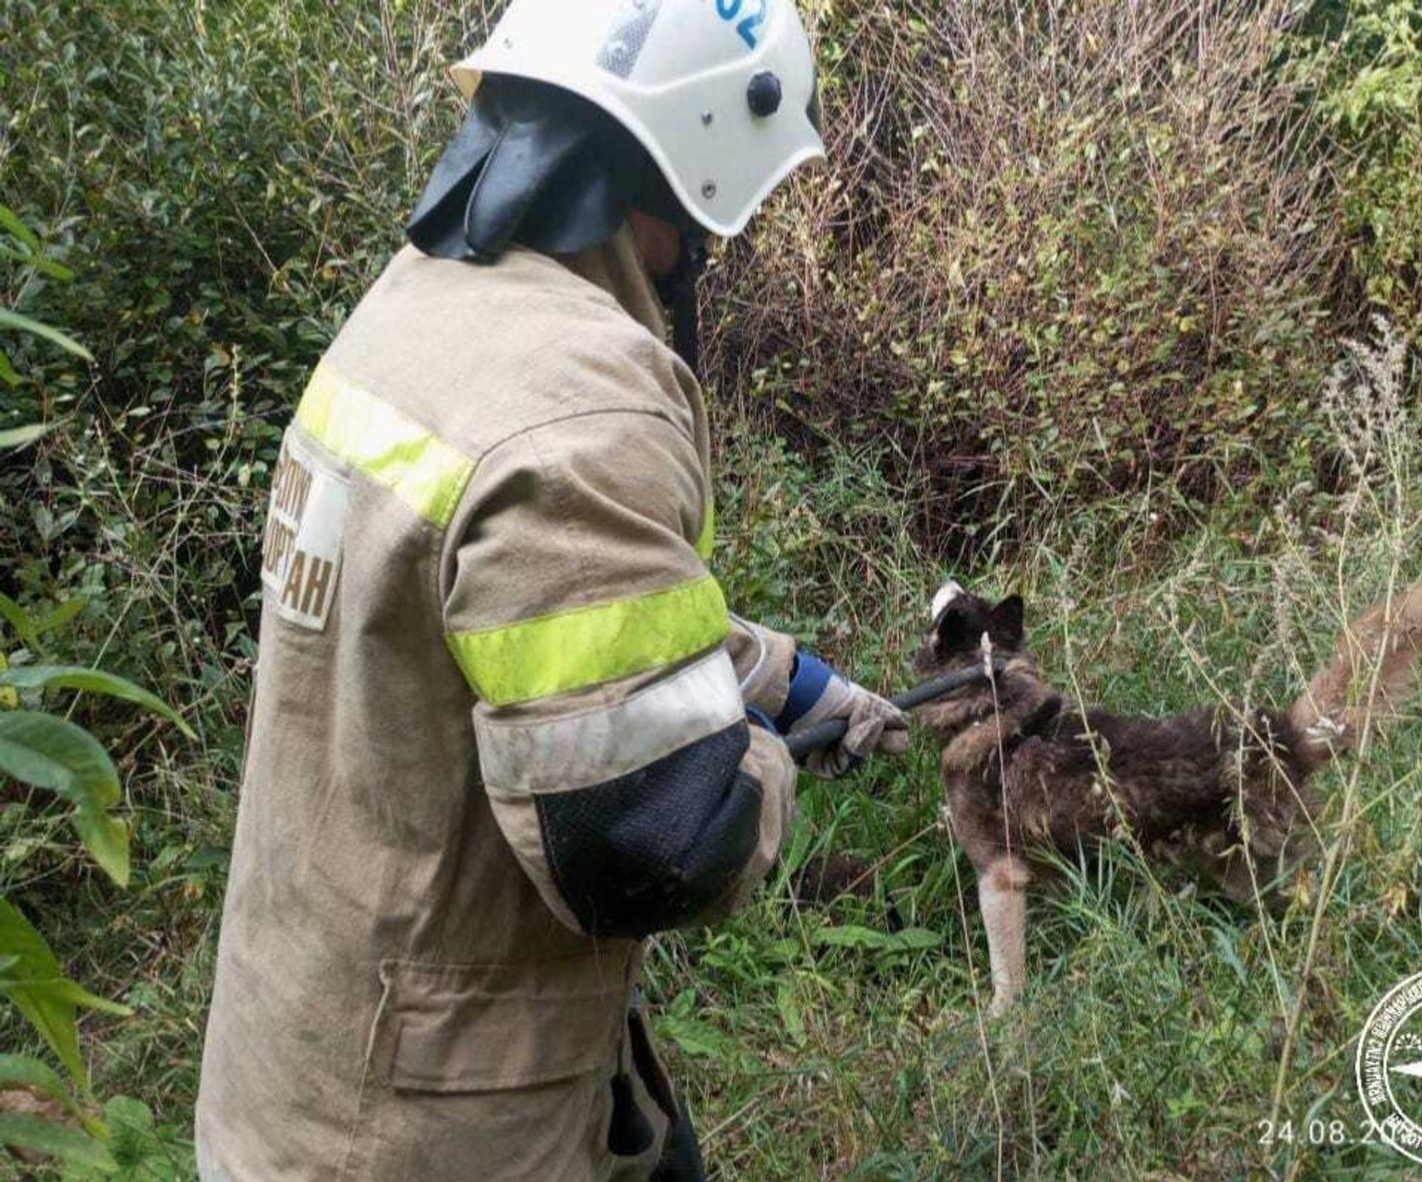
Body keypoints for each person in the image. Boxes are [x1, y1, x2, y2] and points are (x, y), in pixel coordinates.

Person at [194, 3, 909, 1179]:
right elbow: (653, 843)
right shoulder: (585, 401)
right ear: (691, 180)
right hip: (429, 1122)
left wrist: (794, 684)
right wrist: (758, 760)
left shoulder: (424, 307)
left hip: (305, 1046)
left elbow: (534, 625)